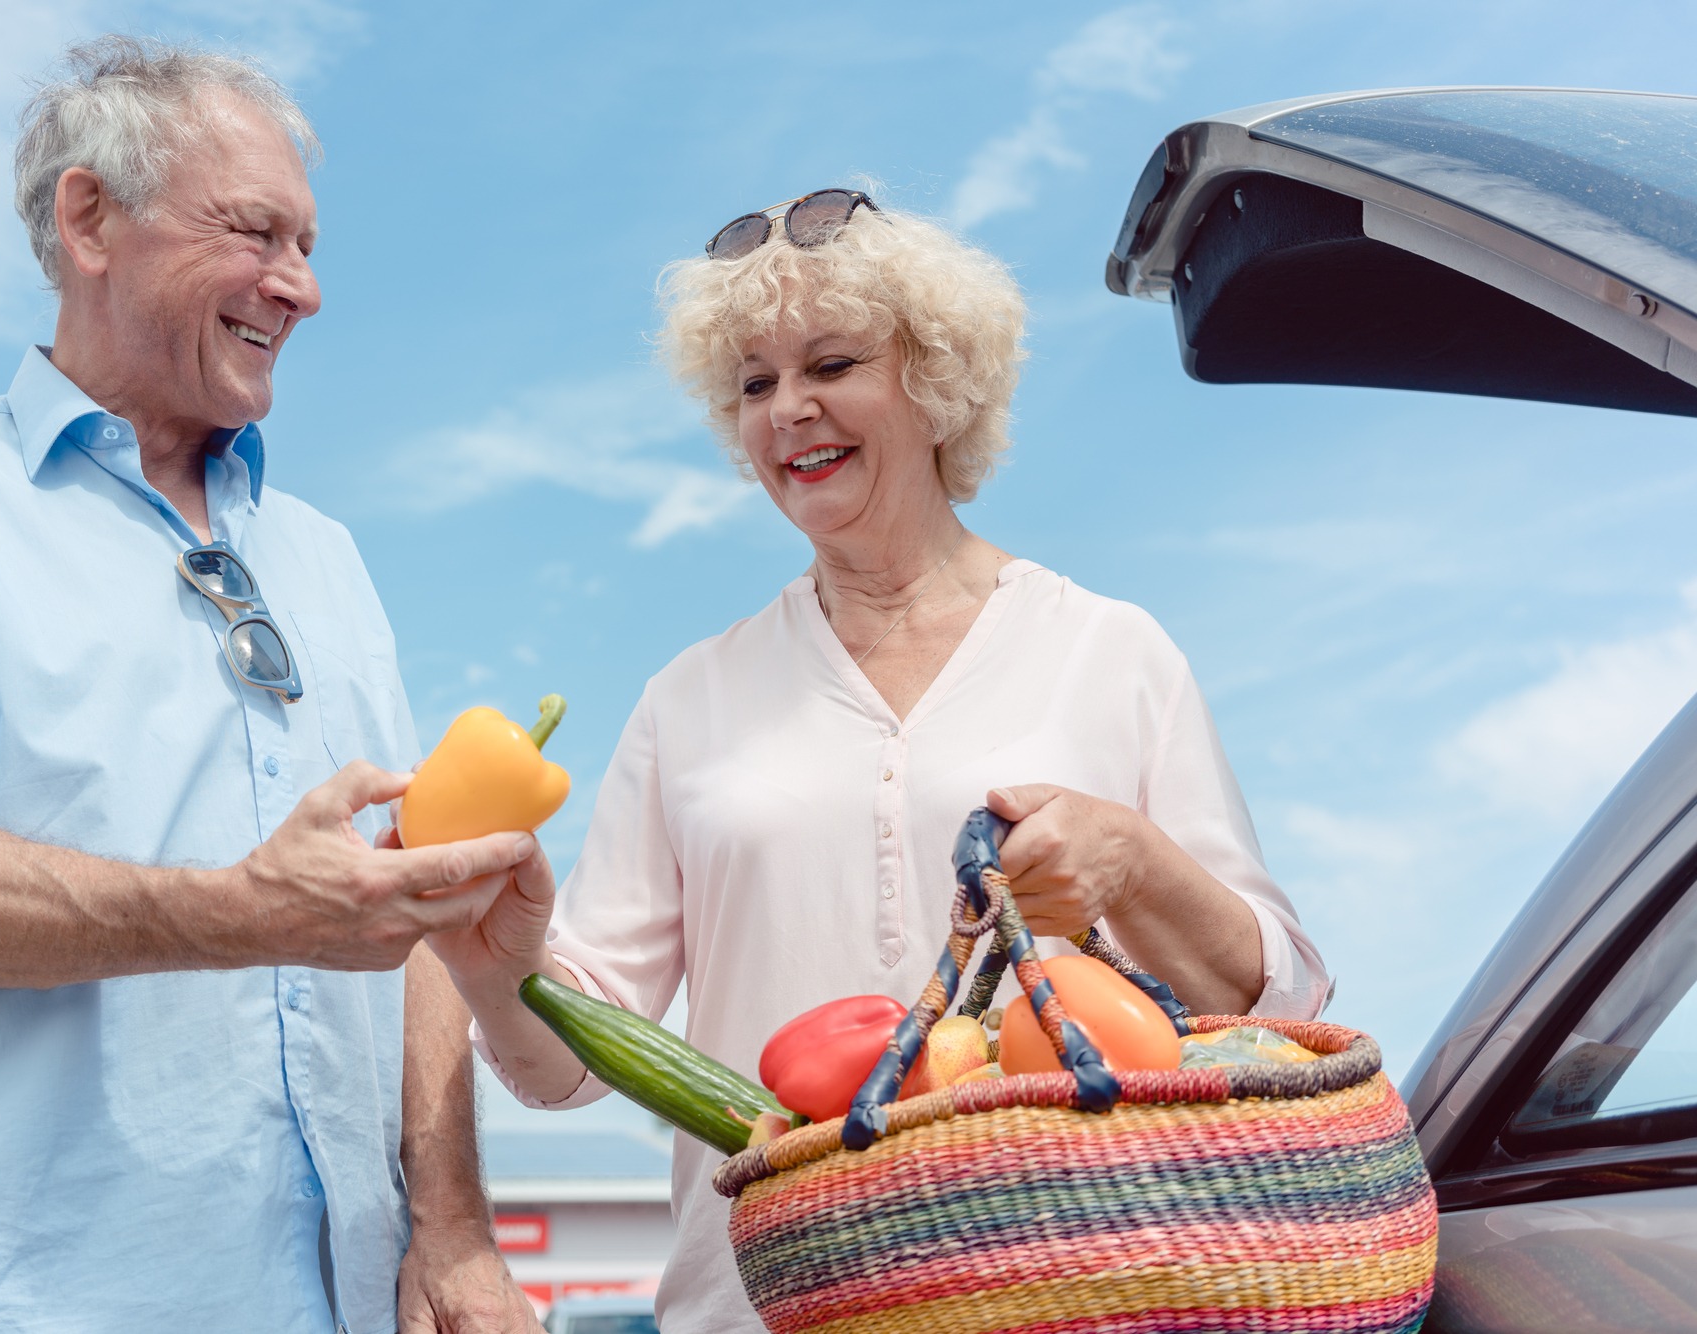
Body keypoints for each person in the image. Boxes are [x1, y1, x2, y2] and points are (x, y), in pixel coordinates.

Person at [0, 37, 541, 1334]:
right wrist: (244, 912)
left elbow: (411, 910)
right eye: (256, 232)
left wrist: (453, 1231)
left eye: (310, 243)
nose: (304, 288)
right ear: (91, 217)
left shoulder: (323, 558)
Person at [428, 190, 1332, 1331]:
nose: (787, 410)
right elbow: (567, 1066)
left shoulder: (1110, 650)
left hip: (1073, 1288)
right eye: (752, 383)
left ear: (937, 380)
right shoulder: (686, 699)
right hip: (770, 1301)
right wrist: (490, 965)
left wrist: (1138, 866)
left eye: (831, 363)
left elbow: (1278, 997)